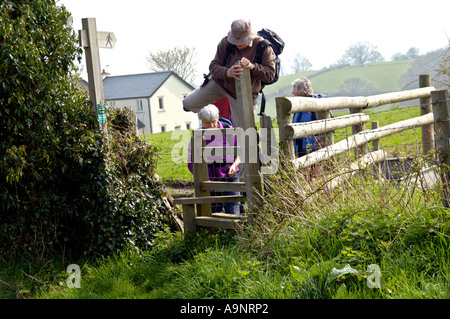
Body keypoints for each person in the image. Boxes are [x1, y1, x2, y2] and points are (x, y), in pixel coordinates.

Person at [183, 19, 276, 128]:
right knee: (188, 103)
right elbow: (213, 66)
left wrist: (253, 67)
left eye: (241, 40)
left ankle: (231, 135)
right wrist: (227, 72)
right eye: (235, 40)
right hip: (220, 84)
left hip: (244, 95)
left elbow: (270, 74)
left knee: (244, 133)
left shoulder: (263, 47)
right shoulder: (226, 42)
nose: (238, 43)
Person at [187, 104, 241, 215]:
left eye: (214, 121)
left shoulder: (228, 131)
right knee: (214, 212)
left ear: (218, 118)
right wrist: (201, 177)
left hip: (229, 176)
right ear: (201, 121)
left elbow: (240, 153)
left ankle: (235, 231)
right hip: (209, 179)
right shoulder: (197, 136)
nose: (211, 125)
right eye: (207, 122)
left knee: (234, 208)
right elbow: (191, 162)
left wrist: (234, 165)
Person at [291, 77, 328, 178]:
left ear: (300, 90)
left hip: (314, 147)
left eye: (294, 89)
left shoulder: (315, 104)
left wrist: (319, 143)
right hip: (302, 147)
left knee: (315, 175)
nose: (292, 92)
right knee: (305, 176)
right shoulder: (298, 106)